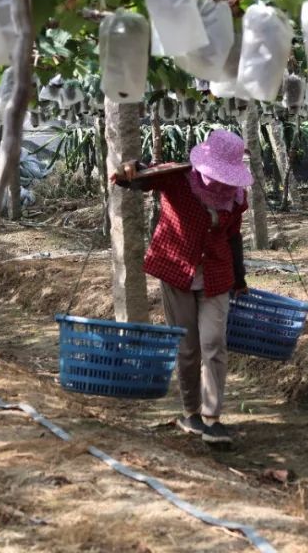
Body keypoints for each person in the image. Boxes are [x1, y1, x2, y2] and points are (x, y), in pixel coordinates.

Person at [112, 129, 251, 445]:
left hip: (216, 272)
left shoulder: (237, 198)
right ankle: (192, 414)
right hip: (176, 269)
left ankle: (213, 418)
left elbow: (233, 237)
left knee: (214, 342)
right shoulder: (178, 177)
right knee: (188, 349)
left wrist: (240, 279)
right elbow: (136, 179)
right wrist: (130, 166)